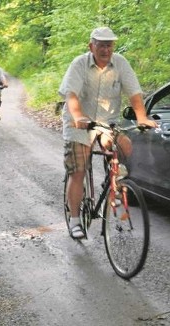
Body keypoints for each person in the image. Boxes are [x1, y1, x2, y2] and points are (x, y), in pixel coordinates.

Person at [59, 27, 158, 239]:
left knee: (125, 146)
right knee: (78, 171)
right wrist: (78, 116)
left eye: (109, 45)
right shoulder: (79, 64)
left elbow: (134, 92)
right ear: (91, 46)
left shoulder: (120, 63)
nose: (106, 49)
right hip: (79, 124)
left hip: (106, 122)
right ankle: (75, 220)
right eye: (101, 45)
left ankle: (112, 181)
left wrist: (141, 117)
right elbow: (71, 94)